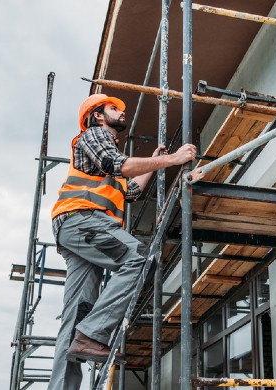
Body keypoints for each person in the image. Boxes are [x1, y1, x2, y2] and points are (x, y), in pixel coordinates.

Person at [47, 94, 196, 389]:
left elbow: (130, 191)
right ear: (98, 115)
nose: (122, 112)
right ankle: (92, 334)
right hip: (83, 220)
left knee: (76, 313)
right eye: (114, 108)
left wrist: (154, 164)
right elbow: (120, 165)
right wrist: (173, 159)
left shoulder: (102, 158)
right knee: (140, 259)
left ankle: (77, 353)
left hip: (79, 229)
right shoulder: (93, 135)